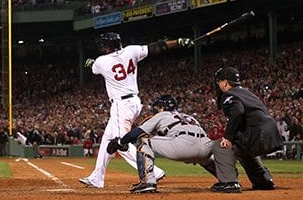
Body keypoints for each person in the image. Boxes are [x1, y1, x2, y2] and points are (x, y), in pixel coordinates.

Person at [79, 32, 193, 188]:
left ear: (108, 46)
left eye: (104, 45)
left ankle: (154, 171)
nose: (102, 47)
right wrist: (179, 41)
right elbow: (157, 47)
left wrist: (90, 62)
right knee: (107, 139)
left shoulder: (101, 61)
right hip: (134, 101)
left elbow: (93, 67)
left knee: (120, 143)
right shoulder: (131, 50)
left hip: (121, 105)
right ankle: (96, 178)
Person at [107, 94, 218, 193]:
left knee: (143, 141)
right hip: (205, 148)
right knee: (205, 158)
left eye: (157, 108)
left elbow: (137, 133)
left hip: (182, 145)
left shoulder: (162, 115)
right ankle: (225, 180)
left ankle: (147, 182)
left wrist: (120, 142)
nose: (156, 110)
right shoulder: (189, 117)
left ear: (162, 108)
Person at [210, 67, 283, 193]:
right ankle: (263, 181)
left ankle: (229, 182)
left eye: (219, 82)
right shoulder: (248, 93)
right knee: (242, 149)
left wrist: (228, 137)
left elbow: (237, 112)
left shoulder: (229, 94)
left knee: (220, 145)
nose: (218, 85)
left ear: (225, 82)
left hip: (258, 134)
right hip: (272, 135)